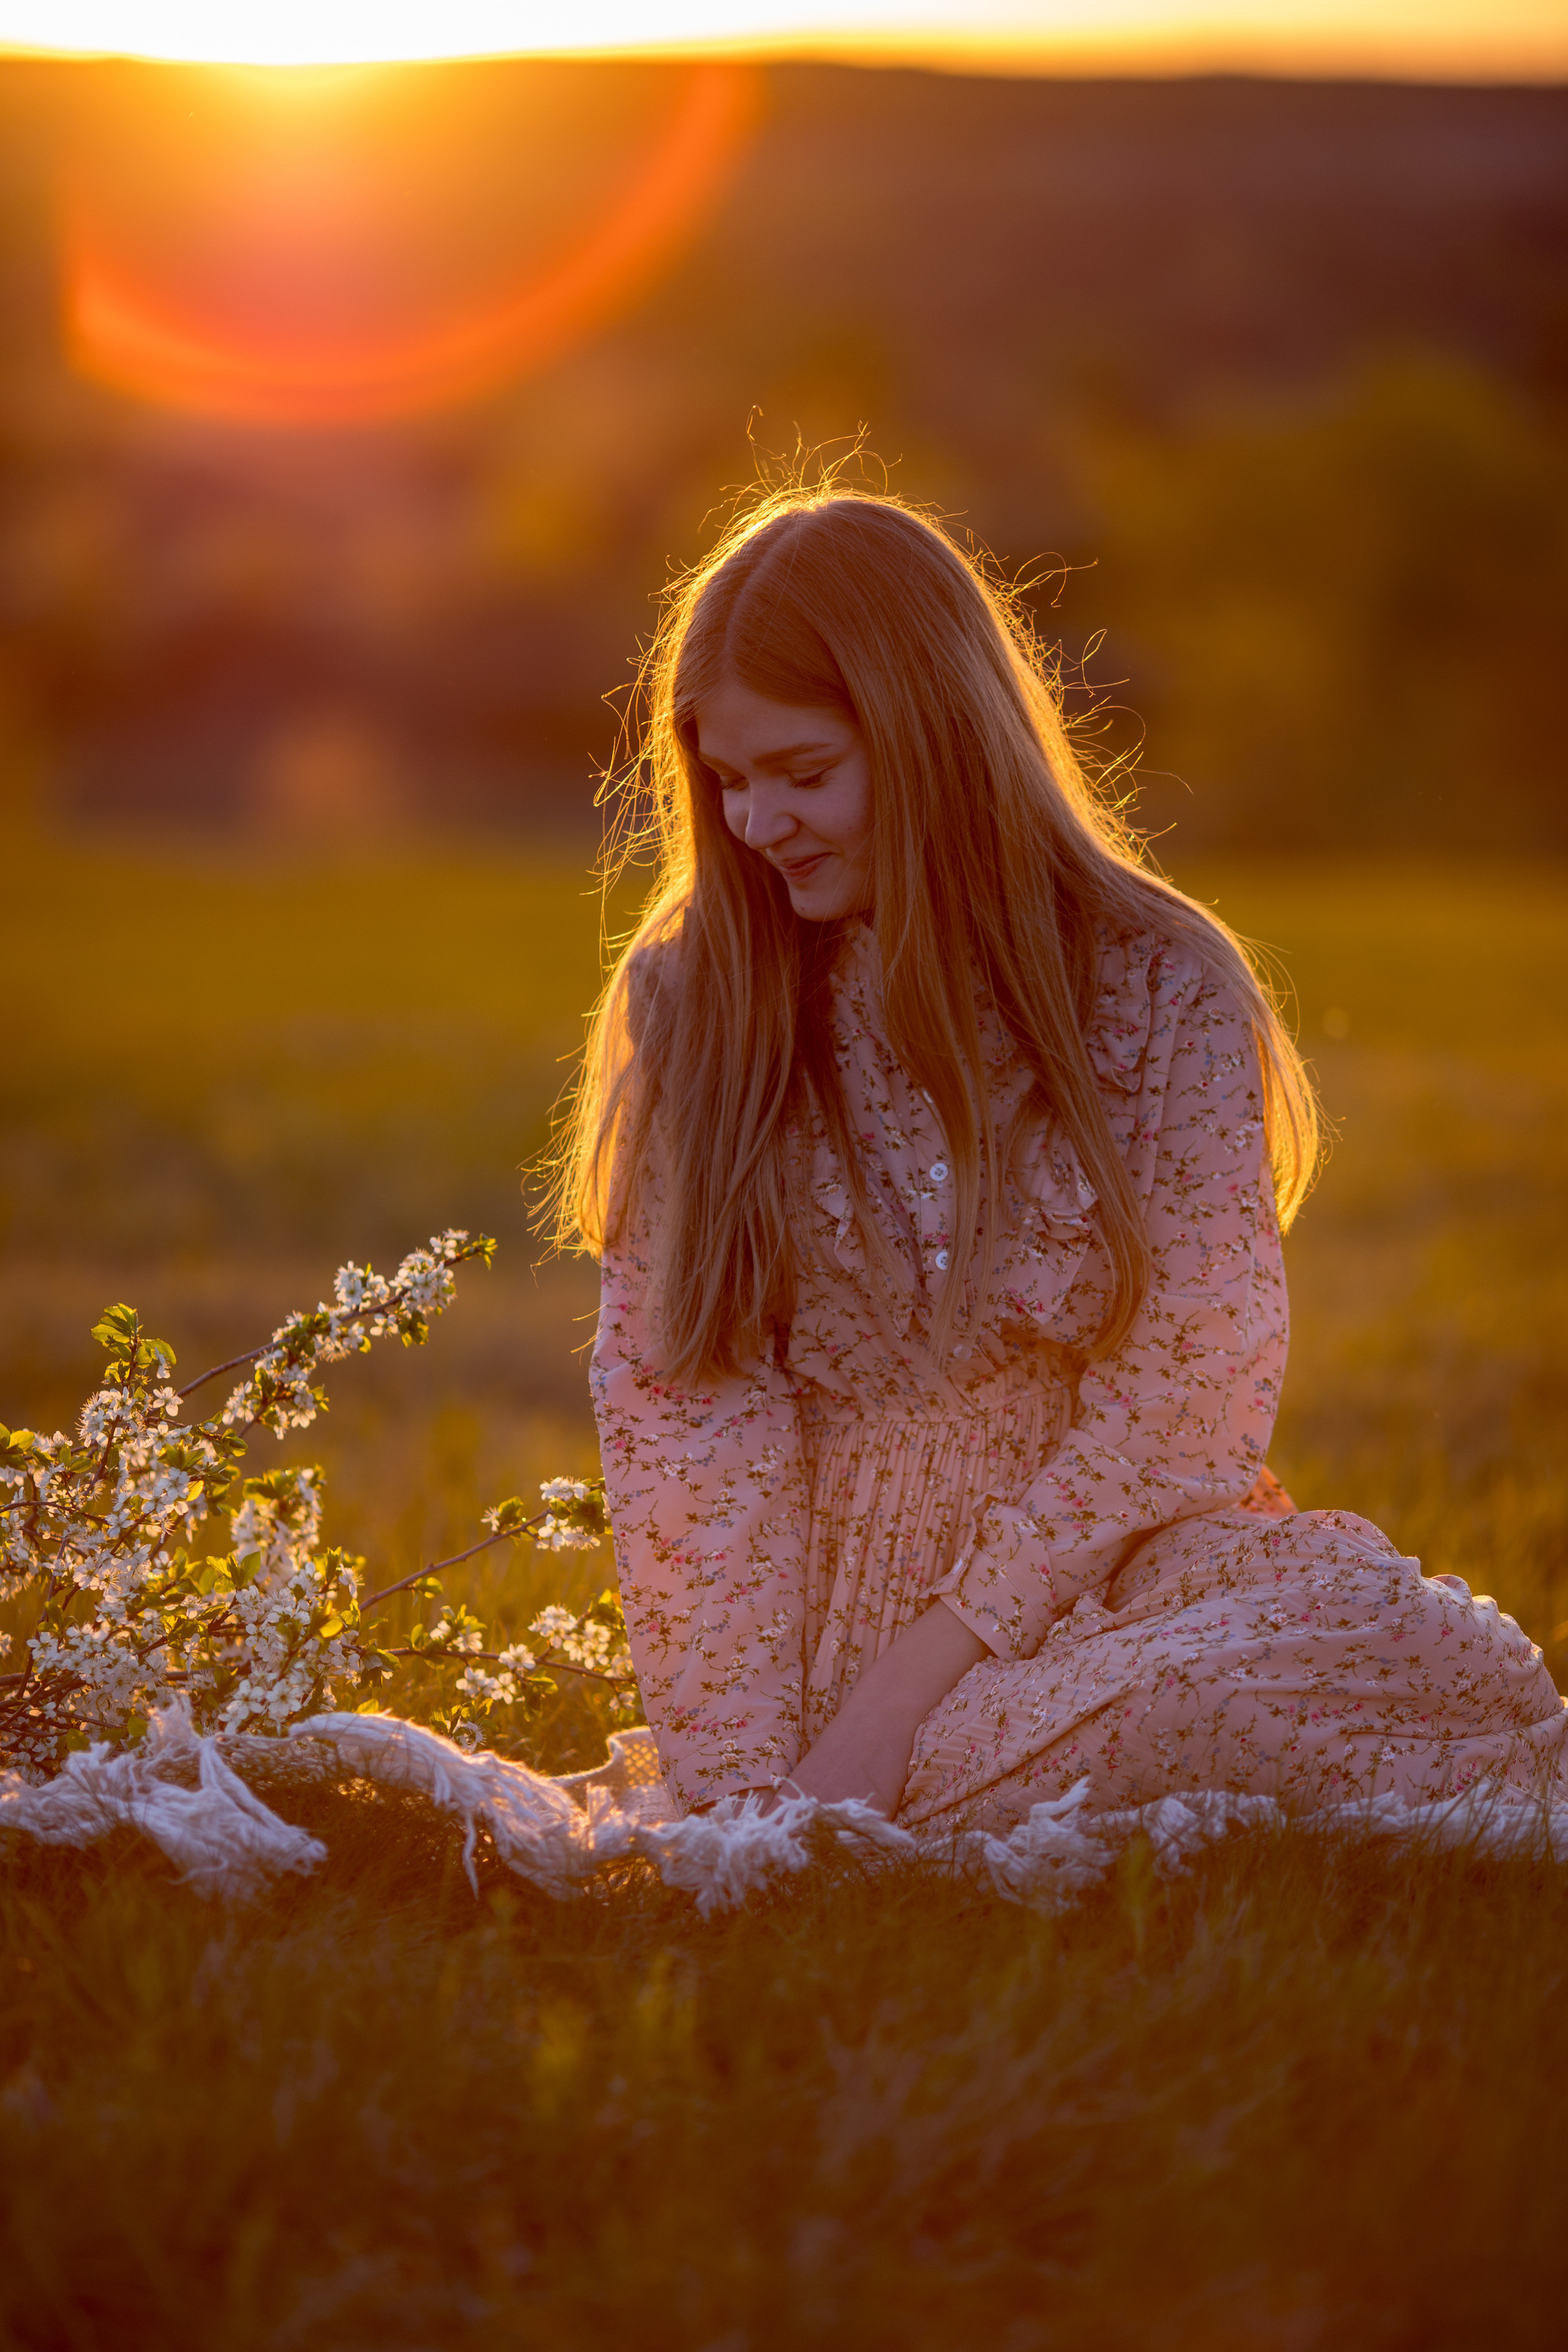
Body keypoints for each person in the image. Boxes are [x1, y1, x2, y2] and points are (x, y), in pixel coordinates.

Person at [557, 484, 1566, 1834]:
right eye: (726, 781)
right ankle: (949, 1784)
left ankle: (975, 1765)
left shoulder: (1159, 983)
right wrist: (741, 1788)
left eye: (801, 775)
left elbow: (1189, 1389)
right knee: (1134, 1732)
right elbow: (681, 1413)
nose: (754, 824)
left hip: (1107, 1574)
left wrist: (910, 1695)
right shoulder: (699, 998)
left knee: (1439, 1655)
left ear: (932, 735)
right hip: (807, 1621)